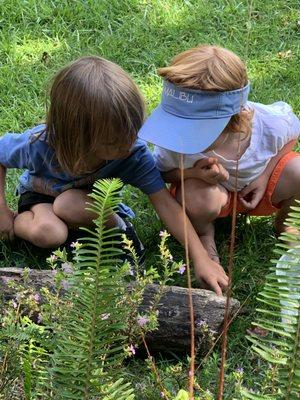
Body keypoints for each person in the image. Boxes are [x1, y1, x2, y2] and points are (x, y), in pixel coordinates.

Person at [0, 55, 228, 294]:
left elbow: (166, 204)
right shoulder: (41, 145)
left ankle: (120, 229)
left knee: (68, 204)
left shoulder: (132, 153)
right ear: (75, 136)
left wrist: (201, 258)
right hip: (39, 200)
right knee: (49, 233)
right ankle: (18, 222)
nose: (127, 145)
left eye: (134, 133)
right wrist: (3, 211)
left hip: (89, 204)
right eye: (113, 142)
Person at [138, 44, 300, 266]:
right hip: (210, 194)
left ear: (233, 117)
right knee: (196, 198)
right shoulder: (176, 139)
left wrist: (265, 176)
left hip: (256, 190)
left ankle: (287, 225)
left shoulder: (270, 124)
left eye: (192, 126)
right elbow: (162, 173)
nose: (181, 131)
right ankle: (204, 234)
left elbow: (292, 134)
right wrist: (193, 173)